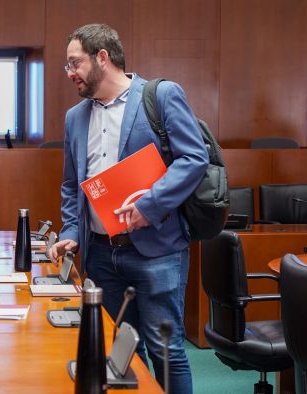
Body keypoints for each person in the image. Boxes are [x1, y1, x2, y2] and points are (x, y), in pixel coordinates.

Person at [49, 24, 208, 394]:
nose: (69, 72)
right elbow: (72, 186)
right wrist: (72, 232)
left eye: (75, 63)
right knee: (122, 354)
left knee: (165, 352)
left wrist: (150, 205)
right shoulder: (75, 117)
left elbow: (193, 158)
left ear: (102, 57)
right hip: (102, 255)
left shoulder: (162, 96)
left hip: (158, 252)